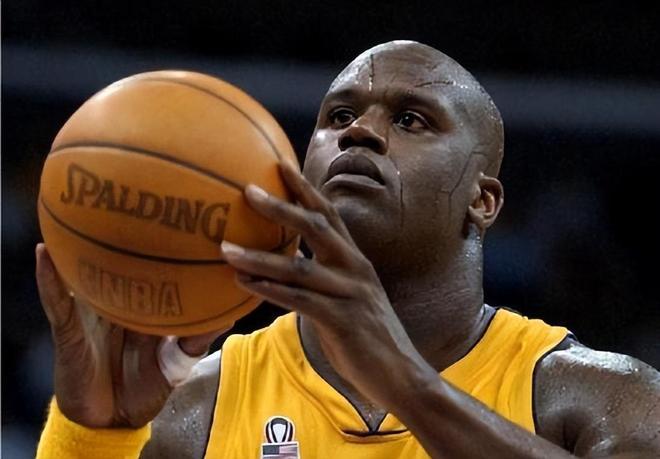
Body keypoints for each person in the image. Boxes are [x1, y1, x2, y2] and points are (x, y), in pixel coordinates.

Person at [35, 41, 660, 458]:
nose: (359, 131)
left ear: (483, 199)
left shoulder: (595, 397)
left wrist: (401, 380)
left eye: (411, 119)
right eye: (338, 117)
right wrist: (92, 438)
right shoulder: (196, 407)